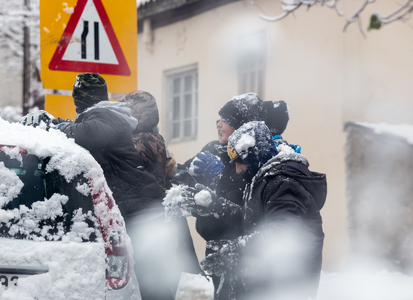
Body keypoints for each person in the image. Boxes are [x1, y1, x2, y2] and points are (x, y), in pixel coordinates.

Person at [19, 73, 174, 299]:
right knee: (146, 285)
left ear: (77, 99)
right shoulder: (104, 117)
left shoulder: (104, 118)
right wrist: (57, 122)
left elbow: (81, 133)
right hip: (136, 209)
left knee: (152, 288)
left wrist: (50, 125)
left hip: (139, 212)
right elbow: (81, 128)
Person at [200, 121, 327, 300]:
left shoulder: (284, 183)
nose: (237, 170)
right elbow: (252, 220)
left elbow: (282, 234)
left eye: (240, 162)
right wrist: (214, 205)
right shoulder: (263, 180)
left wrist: (236, 250)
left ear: (254, 155)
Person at [168, 92, 268, 299]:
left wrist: (216, 181)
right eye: (219, 119)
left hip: (237, 251)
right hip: (214, 245)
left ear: (242, 126)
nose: (219, 124)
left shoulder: (251, 162)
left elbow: (244, 213)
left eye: (226, 120)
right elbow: (179, 174)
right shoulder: (214, 148)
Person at [119, 90, 201, 287]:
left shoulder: (137, 143)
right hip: (160, 218)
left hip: (144, 221)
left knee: (150, 286)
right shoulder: (156, 138)